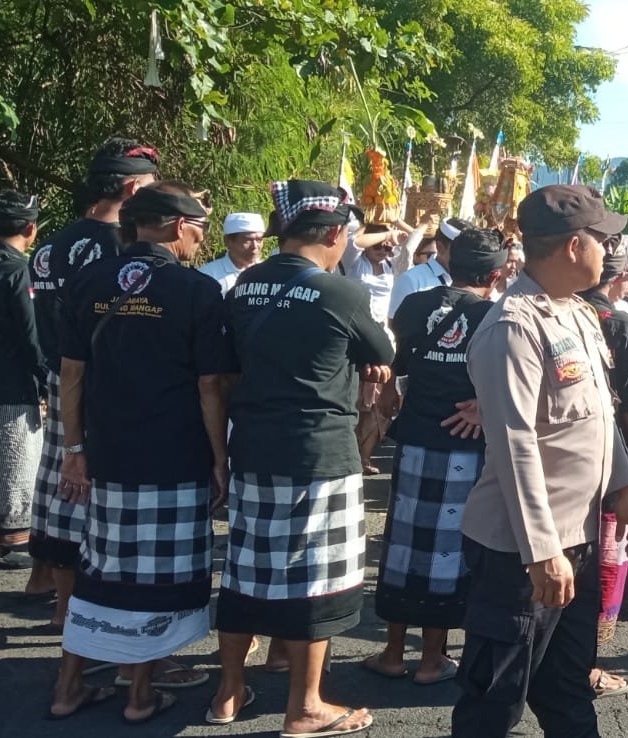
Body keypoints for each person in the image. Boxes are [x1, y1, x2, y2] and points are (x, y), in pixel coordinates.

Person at [449, 184, 628, 738]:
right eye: (604, 240)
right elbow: (515, 445)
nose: (610, 250)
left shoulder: (577, 313)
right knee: (495, 701)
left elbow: (599, 415)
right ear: (575, 245)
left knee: (567, 689)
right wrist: (542, 552)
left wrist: (623, 487)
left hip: (576, 539)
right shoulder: (513, 326)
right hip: (520, 552)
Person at [210, 180, 391, 736]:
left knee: (245, 571)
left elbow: (225, 368)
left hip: (252, 445)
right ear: (334, 234)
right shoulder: (341, 293)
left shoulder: (244, 286)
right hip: (318, 451)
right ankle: (306, 705)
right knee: (316, 578)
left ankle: (227, 692)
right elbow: (381, 351)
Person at [48, 183, 231, 724]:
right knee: (157, 578)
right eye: (200, 229)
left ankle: (68, 686)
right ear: (178, 226)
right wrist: (219, 458)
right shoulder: (196, 290)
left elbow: (71, 374)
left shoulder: (88, 280)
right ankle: (139, 694)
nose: (201, 241)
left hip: (107, 451)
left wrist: (75, 448)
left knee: (99, 570)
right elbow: (210, 385)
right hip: (173, 453)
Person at [363, 228, 503, 686]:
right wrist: (484, 404)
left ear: (448, 262)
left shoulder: (413, 305)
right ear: (495, 275)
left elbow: (399, 367)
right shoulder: (495, 316)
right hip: (464, 442)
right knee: (445, 551)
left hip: (414, 440)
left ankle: (391, 653)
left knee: (403, 546)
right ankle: (430, 660)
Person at [28, 137, 158, 627]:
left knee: (60, 483)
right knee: (93, 492)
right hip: (102, 383)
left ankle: (56, 597)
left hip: (58, 375)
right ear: (132, 189)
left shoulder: (50, 245)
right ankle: (83, 615)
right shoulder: (119, 248)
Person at [578, 234, 628, 699]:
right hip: (610, 464)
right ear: (621, 277)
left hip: (559, 462)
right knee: (604, 562)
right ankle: (586, 664)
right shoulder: (623, 326)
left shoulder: (554, 312)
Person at [0, 192, 43, 567]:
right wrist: (48, 378)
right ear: (30, 228)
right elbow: (31, 335)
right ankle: (4, 542)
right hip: (11, 386)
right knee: (11, 469)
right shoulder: (17, 270)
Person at [341, 223, 406, 475]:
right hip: (355, 337)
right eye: (377, 245)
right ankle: (350, 453)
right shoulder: (355, 264)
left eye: (388, 247)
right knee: (357, 399)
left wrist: (398, 224)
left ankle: (365, 456)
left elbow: (411, 241)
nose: (384, 249)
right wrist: (382, 229)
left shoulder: (392, 265)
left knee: (379, 402)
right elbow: (354, 242)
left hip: (383, 338)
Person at [389, 216, 468, 317]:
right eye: (460, 251)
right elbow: (395, 322)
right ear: (440, 247)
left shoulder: (471, 280)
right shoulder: (412, 279)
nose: (466, 257)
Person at [200, 212, 266, 294]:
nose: (255, 246)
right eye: (247, 240)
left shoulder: (268, 273)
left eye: (259, 240)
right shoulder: (208, 275)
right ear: (228, 241)